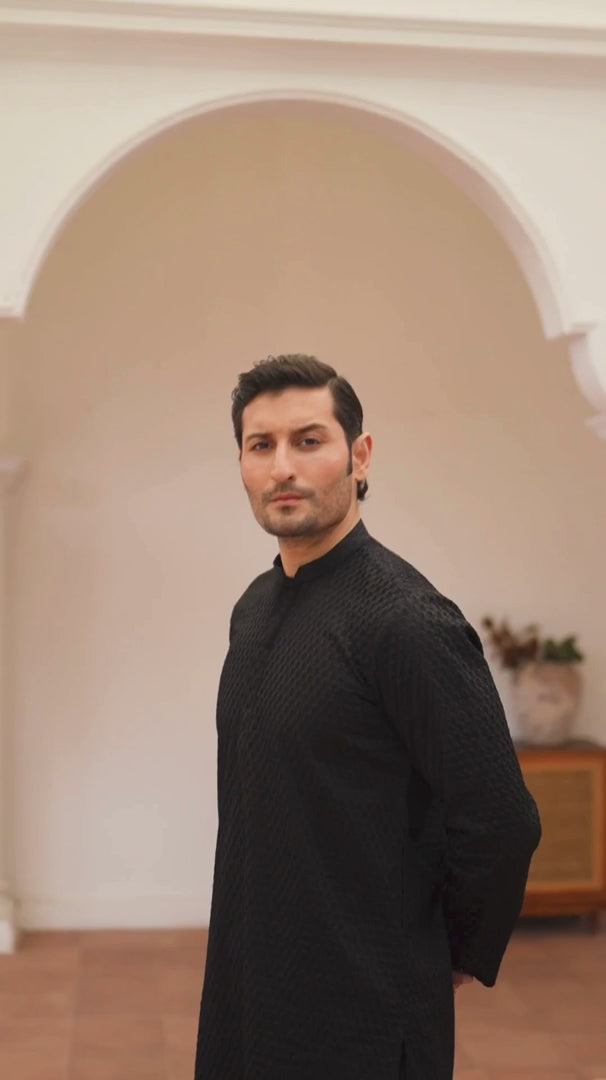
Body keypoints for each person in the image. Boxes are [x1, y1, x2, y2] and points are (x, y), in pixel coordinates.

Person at [194, 354, 541, 1080]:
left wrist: (445, 955)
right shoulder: (254, 609)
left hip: (366, 1011)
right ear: (241, 465)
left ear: (359, 455)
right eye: (261, 445)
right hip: (249, 984)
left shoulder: (406, 621)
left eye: (308, 440)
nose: (283, 467)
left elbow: (501, 817)